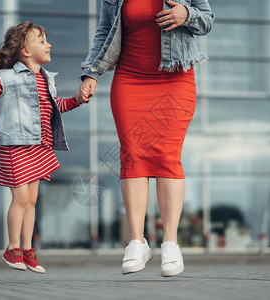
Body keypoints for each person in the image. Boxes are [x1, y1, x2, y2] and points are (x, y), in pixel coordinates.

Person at [76, 0, 215, 277]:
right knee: (133, 156)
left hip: (175, 79)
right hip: (130, 80)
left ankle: (171, 242)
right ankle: (137, 241)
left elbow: (207, 20)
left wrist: (187, 14)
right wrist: (91, 74)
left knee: (166, 155)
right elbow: (105, 31)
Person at [0, 21, 87, 274]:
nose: (49, 44)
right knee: (21, 197)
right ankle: (12, 248)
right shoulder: (8, 78)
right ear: (25, 50)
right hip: (16, 144)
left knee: (32, 200)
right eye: (42, 41)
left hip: (39, 146)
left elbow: (56, 106)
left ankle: (27, 250)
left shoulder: (47, 78)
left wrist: (77, 101)